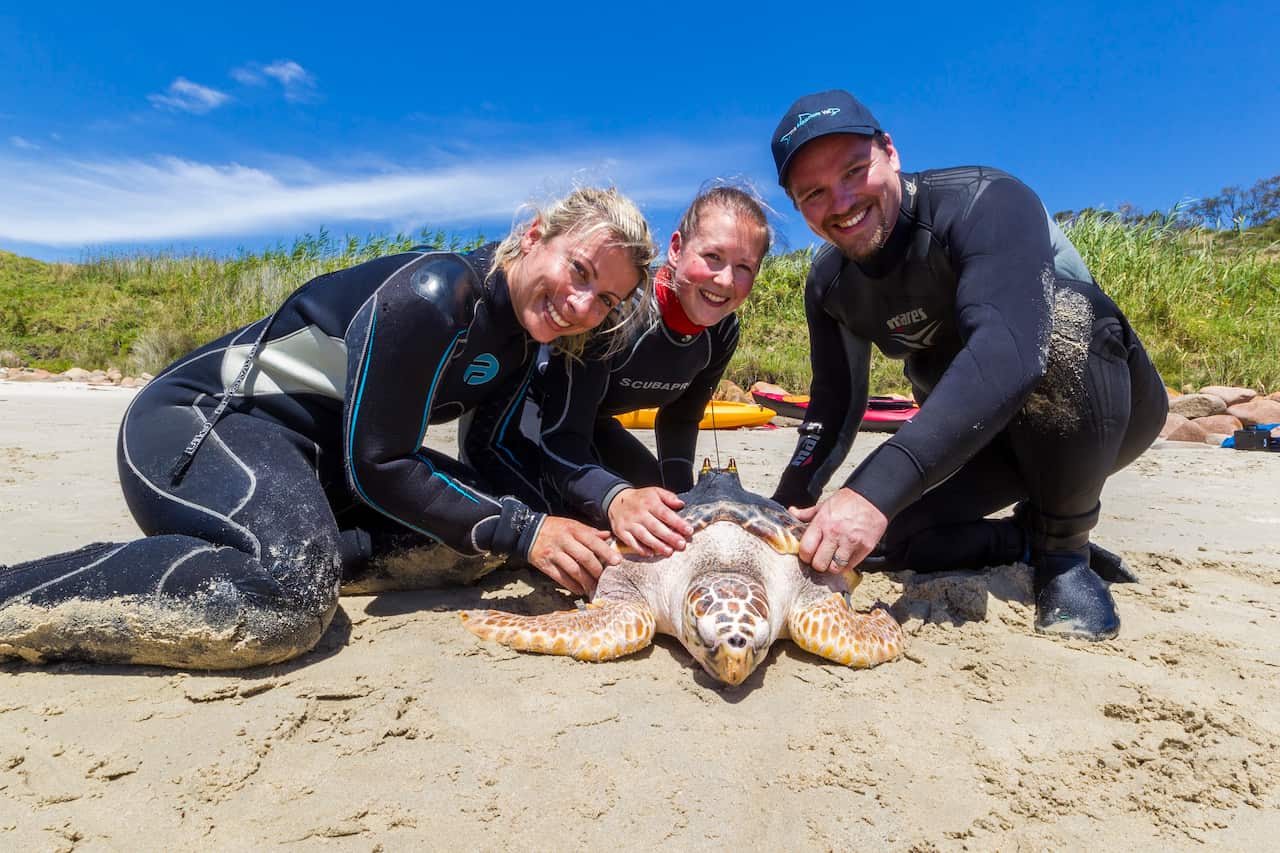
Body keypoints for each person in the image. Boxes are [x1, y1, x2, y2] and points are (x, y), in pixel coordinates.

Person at [0, 187, 656, 669]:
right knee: (288, 600)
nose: (580, 305)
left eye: (603, 300)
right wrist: (528, 529)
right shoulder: (437, 293)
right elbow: (382, 462)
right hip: (204, 427)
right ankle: (12, 594)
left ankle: (297, 544)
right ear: (538, 233)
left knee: (479, 540)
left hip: (317, 463)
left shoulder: (519, 341)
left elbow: (495, 451)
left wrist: (586, 515)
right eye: (580, 271)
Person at [768, 90, 1168, 640]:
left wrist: (871, 491)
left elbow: (1007, 354)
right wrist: (785, 509)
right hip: (983, 442)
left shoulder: (984, 200)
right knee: (883, 543)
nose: (839, 202)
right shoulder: (829, 283)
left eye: (854, 171)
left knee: (1068, 316)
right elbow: (835, 407)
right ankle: (1026, 538)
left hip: (1102, 416)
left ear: (890, 152)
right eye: (813, 193)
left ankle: (1065, 555)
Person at [464, 185, 771, 556]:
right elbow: (562, 437)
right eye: (712, 256)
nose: (724, 279)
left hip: (590, 426)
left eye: (744, 267)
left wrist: (684, 505)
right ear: (676, 249)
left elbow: (679, 419)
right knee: (584, 534)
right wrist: (615, 500)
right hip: (522, 423)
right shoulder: (617, 312)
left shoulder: (723, 331)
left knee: (660, 513)